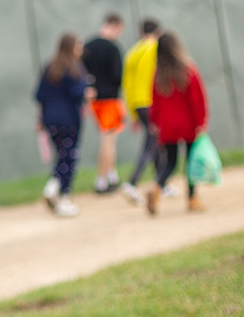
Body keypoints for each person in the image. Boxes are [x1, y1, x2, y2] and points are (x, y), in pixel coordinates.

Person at [147, 30, 209, 215]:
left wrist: (155, 123)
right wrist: (201, 121)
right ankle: (192, 198)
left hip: (167, 126)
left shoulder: (159, 75)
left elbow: (154, 103)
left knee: (170, 162)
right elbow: (197, 100)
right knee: (191, 162)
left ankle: (157, 187)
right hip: (188, 124)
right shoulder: (188, 70)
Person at [35, 33, 90, 217]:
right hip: (69, 120)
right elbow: (78, 93)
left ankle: (53, 188)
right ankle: (62, 194)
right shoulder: (75, 69)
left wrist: (40, 119)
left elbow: (40, 96)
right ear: (71, 47)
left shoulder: (50, 67)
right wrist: (87, 92)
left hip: (51, 120)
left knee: (62, 156)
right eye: (78, 46)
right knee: (69, 157)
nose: (80, 49)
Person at [82, 13, 126, 193]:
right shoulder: (113, 48)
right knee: (108, 139)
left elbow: (80, 72)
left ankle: (111, 174)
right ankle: (102, 179)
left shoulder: (87, 46)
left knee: (107, 136)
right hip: (109, 99)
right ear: (115, 26)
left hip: (93, 100)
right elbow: (118, 76)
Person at [120, 18, 161, 205]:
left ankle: (162, 181)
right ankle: (132, 181)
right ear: (158, 31)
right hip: (151, 101)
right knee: (151, 142)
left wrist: (132, 114)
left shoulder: (132, 52)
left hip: (137, 103)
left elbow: (127, 84)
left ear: (140, 32)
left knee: (155, 140)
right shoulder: (154, 47)